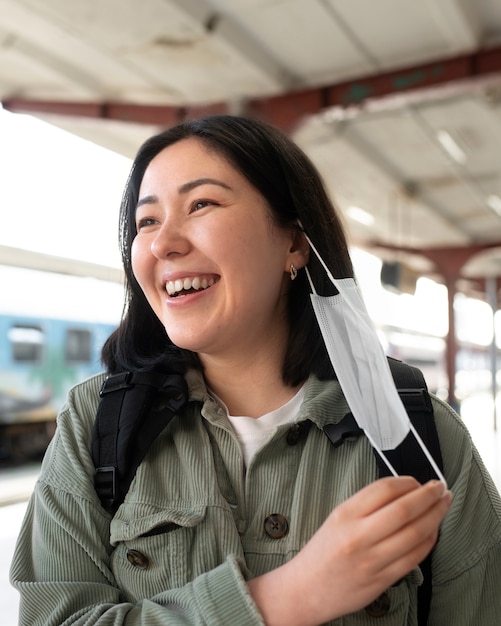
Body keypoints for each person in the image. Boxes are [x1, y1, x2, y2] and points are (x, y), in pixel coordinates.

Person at [10, 114, 501, 625]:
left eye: (201, 204)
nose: (162, 243)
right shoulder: (94, 426)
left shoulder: (422, 435)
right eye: (147, 221)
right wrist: (287, 597)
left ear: (293, 243)